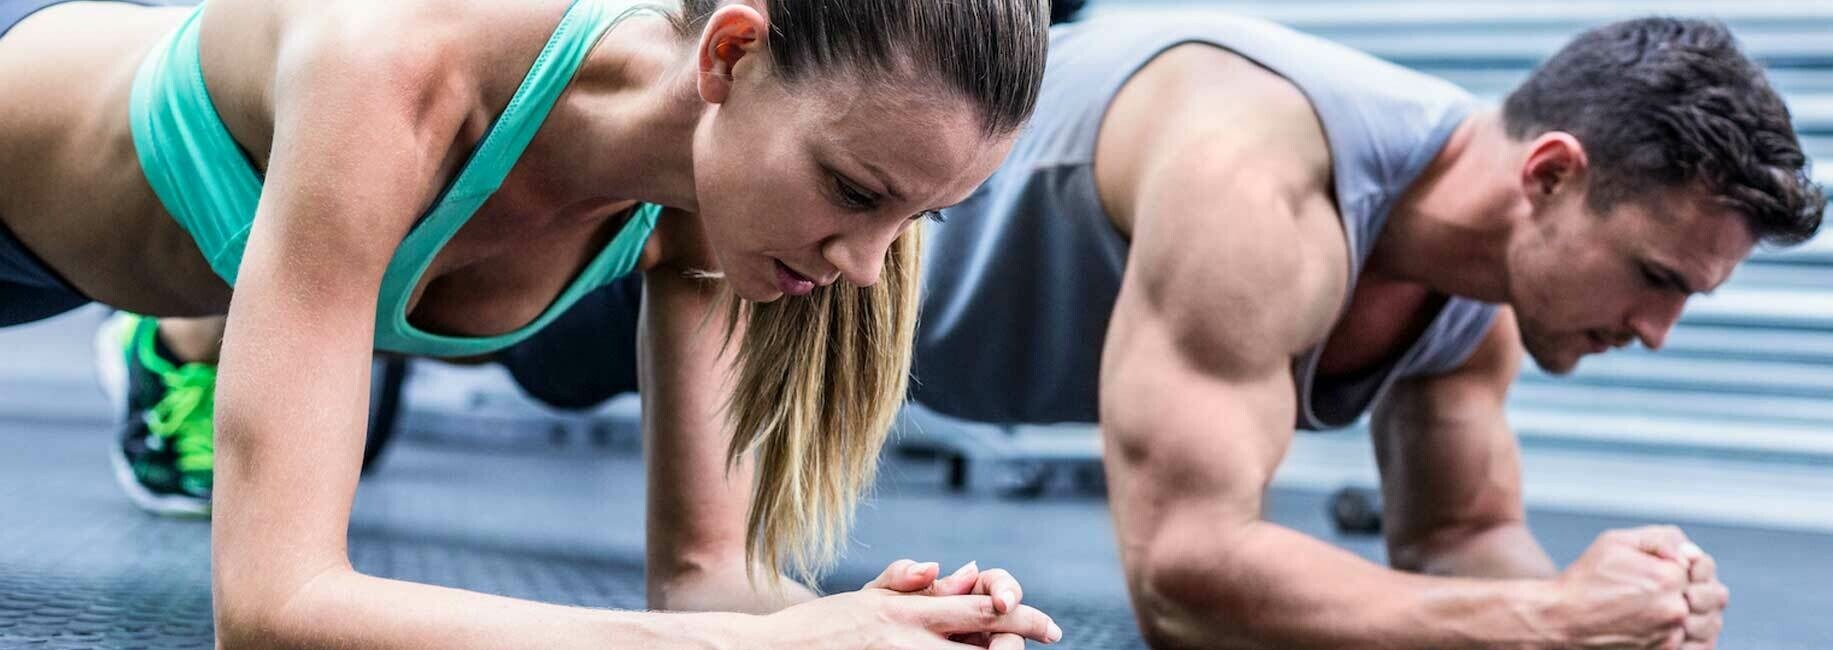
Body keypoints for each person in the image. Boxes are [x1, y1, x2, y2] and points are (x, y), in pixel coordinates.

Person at [469, 10, 1826, 650]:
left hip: (852, 321)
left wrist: (1612, 625)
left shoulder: (1479, 300)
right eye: (1660, 277)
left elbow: (1460, 540)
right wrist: (1543, 617)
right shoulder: (1261, 177)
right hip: (760, 255)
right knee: (489, 312)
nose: (1656, 333)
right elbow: (1185, 576)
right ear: (1550, 175)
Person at [0, 0, 1066, 646]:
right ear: (730, 56)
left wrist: (878, 626)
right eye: (852, 190)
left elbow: (706, 577)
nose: (866, 267)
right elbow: (274, 610)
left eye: (919, 218)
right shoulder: (396, 63)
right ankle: (180, 347)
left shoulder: (713, 211)